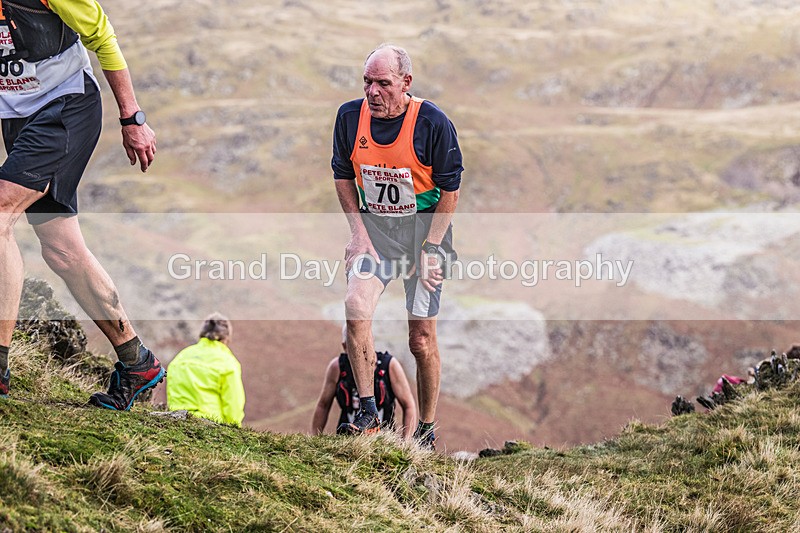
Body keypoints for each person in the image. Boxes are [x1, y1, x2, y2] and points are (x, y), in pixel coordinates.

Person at [0, 0, 162, 408]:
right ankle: (136, 360)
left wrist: (133, 119)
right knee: (62, 249)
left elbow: (103, 37)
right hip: (17, 117)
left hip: (65, 105)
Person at [331, 44, 463, 449]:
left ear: (406, 83)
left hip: (424, 236)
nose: (372, 92)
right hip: (377, 237)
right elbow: (342, 176)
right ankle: (368, 410)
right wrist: (358, 234)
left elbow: (450, 190)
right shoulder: (350, 117)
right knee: (356, 307)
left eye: (383, 83)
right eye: (367, 82)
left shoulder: (433, 123)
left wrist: (432, 248)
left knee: (420, 339)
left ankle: (425, 429)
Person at [311, 327, 416, 438]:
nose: (359, 352)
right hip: (346, 439)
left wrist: (407, 441)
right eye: (353, 346)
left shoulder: (389, 366)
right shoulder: (337, 367)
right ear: (345, 346)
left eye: (363, 346)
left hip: (384, 439)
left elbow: (409, 405)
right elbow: (323, 405)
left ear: (371, 342)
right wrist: (314, 437)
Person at [166, 313, 245, 426]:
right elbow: (233, 404)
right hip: (212, 426)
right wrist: (235, 430)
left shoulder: (181, 357)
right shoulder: (227, 362)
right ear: (226, 338)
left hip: (176, 422)